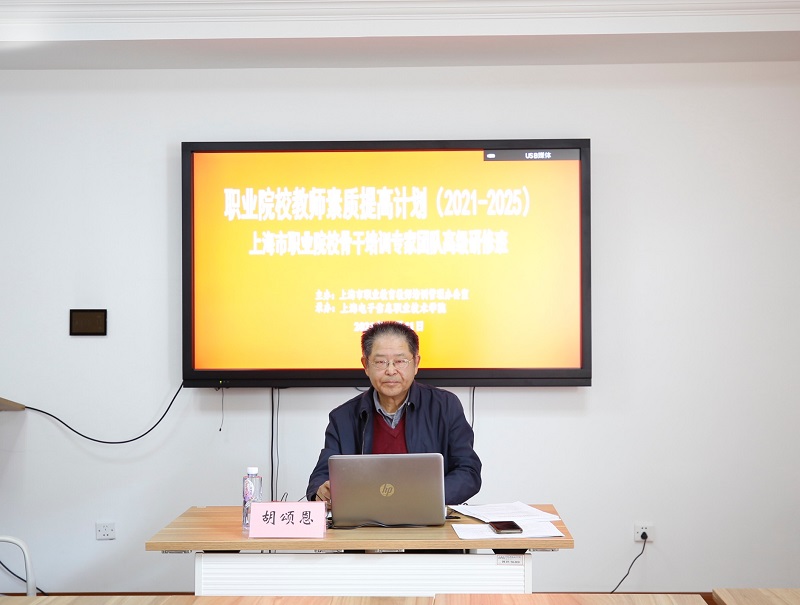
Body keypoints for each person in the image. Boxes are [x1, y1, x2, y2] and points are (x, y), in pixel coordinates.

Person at [306, 321, 482, 506]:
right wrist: (321, 491)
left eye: (400, 361)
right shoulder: (343, 417)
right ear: (366, 365)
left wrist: (428, 499)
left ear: (416, 363)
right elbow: (321, 475)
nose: (391, 371)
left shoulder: (444, 406)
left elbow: (468, 471)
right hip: (364, 518)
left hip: (427, 515)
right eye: (380, 362)